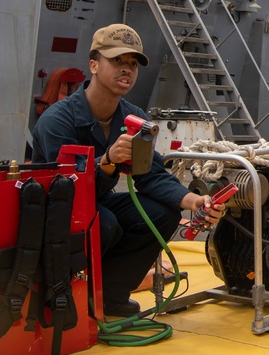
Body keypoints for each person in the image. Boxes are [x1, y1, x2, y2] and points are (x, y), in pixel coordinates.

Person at [32, 24, 224, 318]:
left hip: (94, 205)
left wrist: (192, 202)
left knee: (162, 213)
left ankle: (109, 295)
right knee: (104, 222)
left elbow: (150, 174)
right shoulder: (57, 120)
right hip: (54, 211)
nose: (126, 70)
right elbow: (67, 188)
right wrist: (107, 161)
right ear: (93, 65)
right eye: (117, 61)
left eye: (133, 64)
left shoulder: (134, 119)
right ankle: (63, 293)